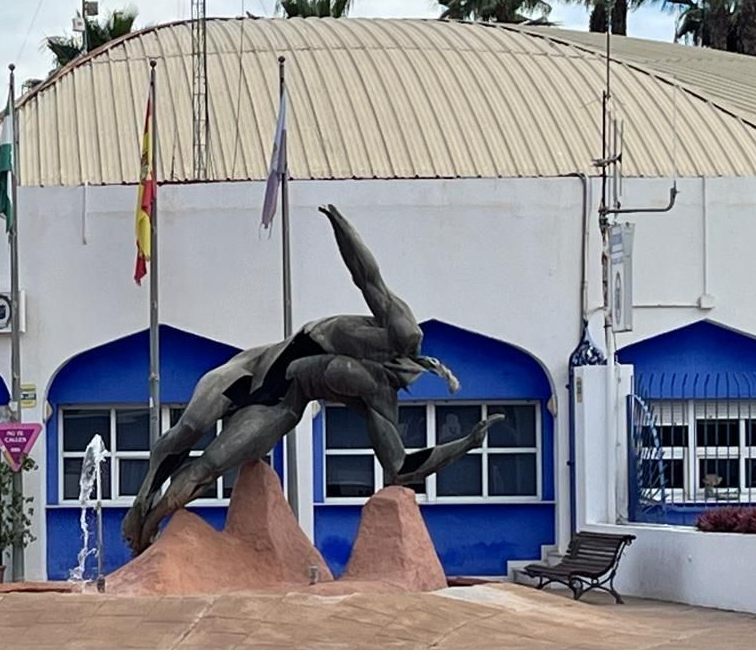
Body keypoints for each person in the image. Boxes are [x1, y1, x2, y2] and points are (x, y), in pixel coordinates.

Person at [123, 205, 497, 554]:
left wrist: (466, 443)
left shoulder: (381, 394)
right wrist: (341, 227)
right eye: (410, 374)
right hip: (257, 362)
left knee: (211, 465)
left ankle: (151, 526)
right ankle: (143, 499)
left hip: (282, 402)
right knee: (190, 426)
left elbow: (400, 468)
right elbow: (367, 277)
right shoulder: (401, 331)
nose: (405, 381)